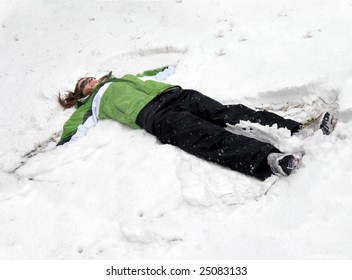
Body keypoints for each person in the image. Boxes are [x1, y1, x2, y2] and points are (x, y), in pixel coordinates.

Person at [57, 66, 335, 180]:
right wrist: (61, 145)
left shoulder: (121, 77)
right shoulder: (90, 104)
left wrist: (167, 68)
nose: (89, 82)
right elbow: (73, 129)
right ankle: (270, 159)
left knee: (231, 113)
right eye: (84, 85)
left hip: (176, 94)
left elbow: (151, 74)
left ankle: (299, 130)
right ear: (80, 94)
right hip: (156, 116)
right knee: (207, 138)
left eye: (89, 78)